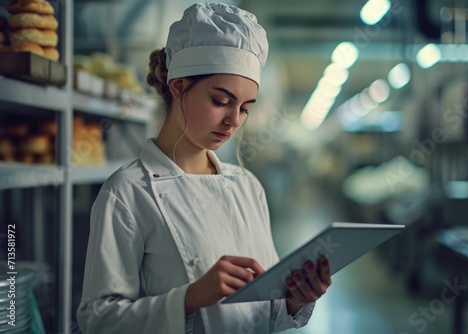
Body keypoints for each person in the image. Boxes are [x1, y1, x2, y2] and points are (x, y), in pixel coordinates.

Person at [76, 3, 332, 333]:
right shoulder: (128, 191)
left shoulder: (247, 186)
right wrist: (189, 297)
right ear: (178, 86)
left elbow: (266, 311)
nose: (233, 121)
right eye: (221, 101)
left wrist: (296, 299)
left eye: (244, 108)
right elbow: (98, 319)